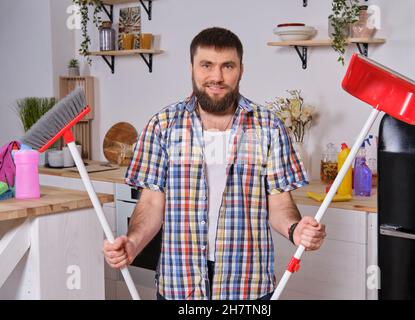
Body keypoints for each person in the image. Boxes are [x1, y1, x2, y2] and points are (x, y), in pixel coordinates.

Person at [104, 27, 326, 300]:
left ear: (241, 70)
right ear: (192, 68)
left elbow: (279, 204)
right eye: (206, 65)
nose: (217, 77)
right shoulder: (163, 125)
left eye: (227, 66)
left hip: (247, 284)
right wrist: (133, 243)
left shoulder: (269, 126)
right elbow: (151, 203)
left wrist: (295, 230)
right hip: (180, 283)